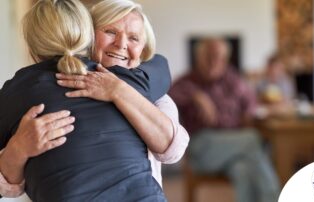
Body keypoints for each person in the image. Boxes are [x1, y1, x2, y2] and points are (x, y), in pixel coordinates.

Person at [0, 0, 189, 201]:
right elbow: (8, 186)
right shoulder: (28, 93)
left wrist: (118, 91)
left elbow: (173, 151)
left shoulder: (148, 90)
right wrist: (18, 148)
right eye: (110, 32)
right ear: (87, 35)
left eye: (134, 38)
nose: (121, 44)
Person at [169, 38, 280, 202]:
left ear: (225, 59)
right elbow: (167, 96)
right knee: (253, 138)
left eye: (219, 57)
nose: (214, 62)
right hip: (202, 149)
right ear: (198, 57)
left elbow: (251, 104)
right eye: (209, 56)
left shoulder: (233, 79)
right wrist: (196, 95)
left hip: (234, 148)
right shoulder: (187, 81)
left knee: (243, 169)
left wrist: (247, 115)